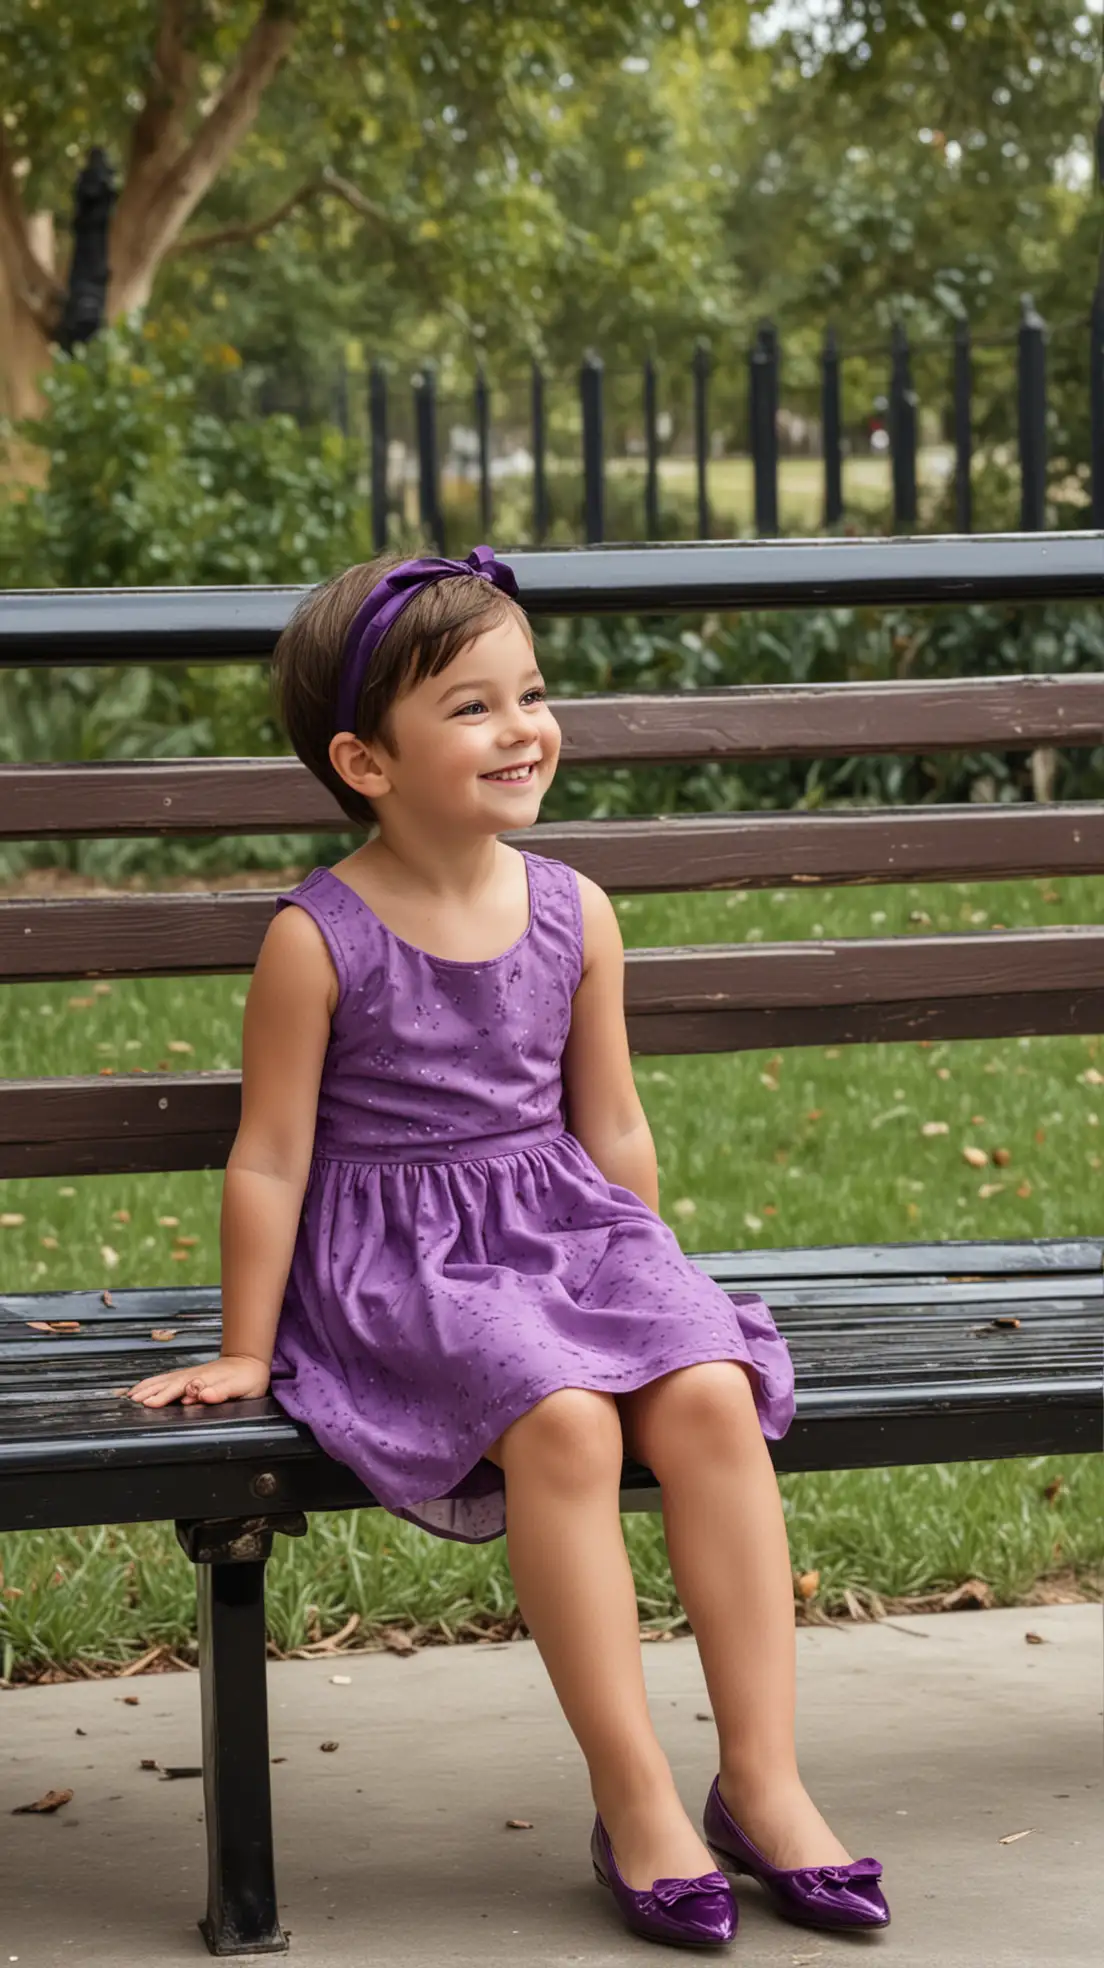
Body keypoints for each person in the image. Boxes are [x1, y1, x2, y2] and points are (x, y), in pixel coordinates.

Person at [125, 546, 888, 1948]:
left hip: (566, 1230)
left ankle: (765, 1782)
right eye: (472, 707)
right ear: (365, 759)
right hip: (403, 1261)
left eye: (529, 692)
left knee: (709, 1388)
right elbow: (273, 1155)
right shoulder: (319, 937)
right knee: (561, 1424)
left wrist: (649, 1282)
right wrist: (247, 1345)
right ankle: (636, 1791)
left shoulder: (574, 911)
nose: (523, 726)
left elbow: (612, 1124)